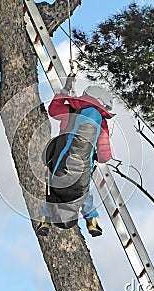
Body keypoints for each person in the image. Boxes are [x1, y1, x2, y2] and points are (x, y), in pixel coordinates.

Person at [36, 78, 115, 237]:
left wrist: (64, 92)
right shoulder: (101, 122)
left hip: (60, 160)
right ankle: (91, 221)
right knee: (84, 192)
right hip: (81, 167)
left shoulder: (70, 110)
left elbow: (53, 110)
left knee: (53, 190)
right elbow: (104, 156)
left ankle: (45, 219)